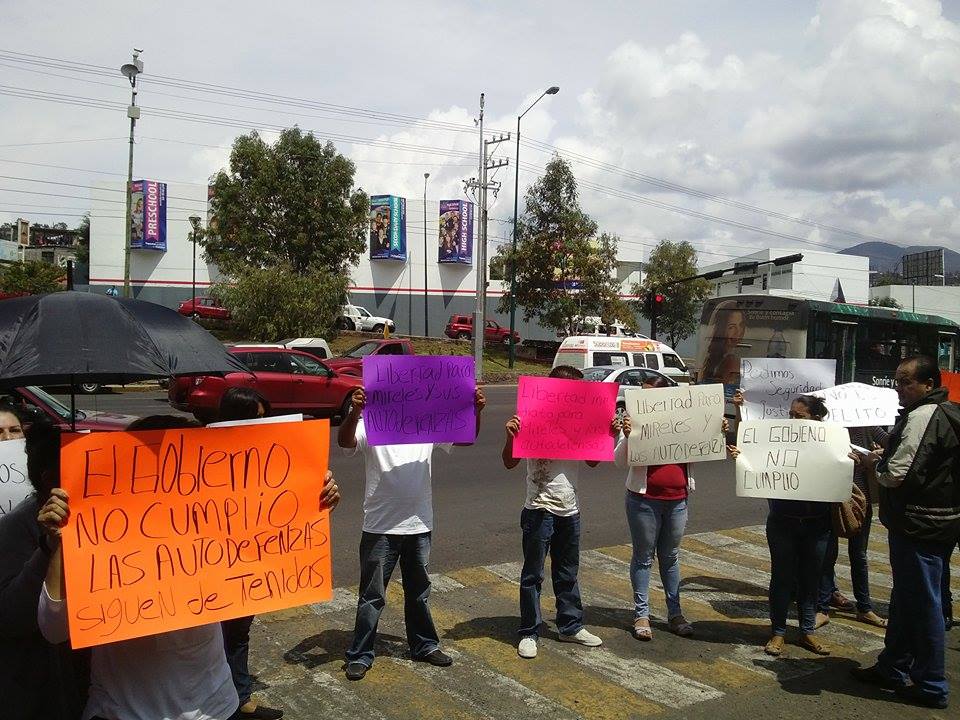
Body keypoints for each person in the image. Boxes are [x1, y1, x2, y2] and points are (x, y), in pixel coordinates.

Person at [37, 415, 342, 720]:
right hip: (125, 712)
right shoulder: (102, 534)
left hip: (213, 707)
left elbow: (265, 562)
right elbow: (53, 630)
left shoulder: (211, 522)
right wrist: (67, 540)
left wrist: (308, 497)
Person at [339, 385, 485, 680]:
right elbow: (345, 442)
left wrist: (476, 411)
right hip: (380, 525)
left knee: (419, 591)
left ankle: (424, 645)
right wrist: (354, 411)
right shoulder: (372, 422)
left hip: (419, 524)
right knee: (372, 595)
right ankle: (361, 653)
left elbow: (466, 437)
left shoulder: (426, 424)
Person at [852, 355, 960, 710]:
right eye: (897, 380)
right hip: (938, 521)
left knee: (924, 604)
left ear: (928, 385)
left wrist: (874, 463)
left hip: (918, 525)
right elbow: (926, 460)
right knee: (906, 600)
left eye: (906, 381)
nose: (898, 388)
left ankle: (931, 684)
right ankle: (892, 667)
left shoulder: (922, 416)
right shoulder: (945, 412)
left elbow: (897, 473)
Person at [501, 366, 612, 659]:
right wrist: (511, 436)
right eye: (570, 388)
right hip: (538, 507)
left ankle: (570, 626)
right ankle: (529, 631)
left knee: (567, 572)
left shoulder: (581, 417)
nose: (576, 394)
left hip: (569, 508)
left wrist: (606, 435)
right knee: (532, 574)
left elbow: (591, 462)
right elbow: (509, 463)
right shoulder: (530, 415)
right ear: (554, 389)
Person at [730, 393, 851, 657]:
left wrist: (852, 460)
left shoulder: (832, 443)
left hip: (817, 525)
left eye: (800, 416)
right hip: (782, 522)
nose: (793, 420)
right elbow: (751, 447)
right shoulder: (780, 438)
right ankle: (778, 633)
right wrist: (741, 446)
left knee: (811, 579)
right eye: (791, 415)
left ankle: (807, 631)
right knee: (782, 578)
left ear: (816, 419)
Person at [617, 375, 729, 641]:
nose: (643, 400)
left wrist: (717, 429)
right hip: (643, 501)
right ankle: (642, 615)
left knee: (670, 558)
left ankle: (675, 613)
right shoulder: (634, 424)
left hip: (678, 501)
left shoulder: (685, 421)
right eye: (641, 395)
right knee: (643, 557)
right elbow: (619, 461)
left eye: (650, 395)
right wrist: (627, 436)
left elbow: (704, 446)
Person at [1, 415, 87, 719]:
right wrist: (47, 549)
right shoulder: (14, 528)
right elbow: (12, 616)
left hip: (93, 678)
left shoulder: (98, 519)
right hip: (44, 689)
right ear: (52, 479)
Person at [214, 389, 283, 720]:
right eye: (256, 417)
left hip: (248, 561)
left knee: (239, 634)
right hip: (211, 564)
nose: (263, 423)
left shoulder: (268, 453)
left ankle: (240, 697)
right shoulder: (207, 454)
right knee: (214, 637)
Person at [815, 425, 889, 630]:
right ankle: (822, 608)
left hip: (858, 500)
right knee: (827, 555)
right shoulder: (825, 427)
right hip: (830, 496)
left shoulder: (867, 425)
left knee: (859, 556)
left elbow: (892, 443)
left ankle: (864, 608)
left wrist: (872, 456)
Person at [701, 302, 746, 385]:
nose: (738, 332)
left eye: (741, 325)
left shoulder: (713, 357)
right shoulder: (731, 360)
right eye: (731, 327)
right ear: (722, 329)